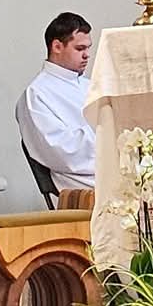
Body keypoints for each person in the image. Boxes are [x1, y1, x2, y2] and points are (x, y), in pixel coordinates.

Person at [17, 12, 96, 191]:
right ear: (57, 46)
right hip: (79, 184)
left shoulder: (91, 86)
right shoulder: (36, 94)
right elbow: (61, 151)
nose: (86, 55)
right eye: (79, 49)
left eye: (88, 48)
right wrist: (107, 135)